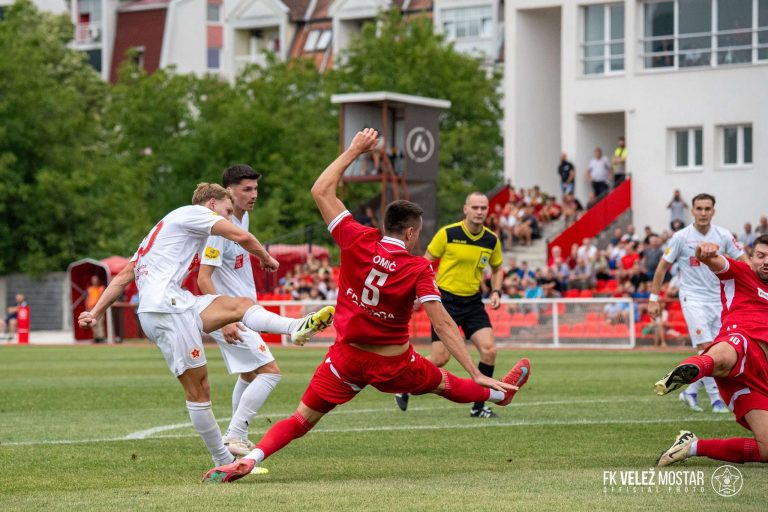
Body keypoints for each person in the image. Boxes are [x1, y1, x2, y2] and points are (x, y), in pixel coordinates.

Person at [202, 128, 530, 483]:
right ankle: (496, 394)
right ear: (410, 233)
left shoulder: (357, 238)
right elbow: (446, 325)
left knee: (300, 420)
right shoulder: (417, 267)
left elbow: (320, 189)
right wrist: (477, 371)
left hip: (345, 357)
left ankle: (249, 459)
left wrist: (354, 150)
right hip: (393, 364)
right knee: (444, 383)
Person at [78, 183, 335, 467]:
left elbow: (125, 275)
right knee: (199, 389)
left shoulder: (162, 229)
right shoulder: (195, 214)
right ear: (211, 204)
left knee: (239, 306)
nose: (227, 218)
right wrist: (265, 257)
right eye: (226, 211)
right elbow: (239, 235)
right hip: (166, 310)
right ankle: (221, 459)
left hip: (177, 302)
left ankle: (295, 327)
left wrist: (96, 311)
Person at [654, 236, 768, 466]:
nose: (766, 261)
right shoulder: (741, 272)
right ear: (751, 257)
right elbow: (714, 261)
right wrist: (702, 252)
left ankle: (691, 446)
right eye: (761, 255)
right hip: (741, 341)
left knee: (766, 450)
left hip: (757, 379)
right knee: (729, 353)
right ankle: (691, 370)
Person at [196, 165, 283, 457]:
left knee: (248, 375)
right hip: (232, 315)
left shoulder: (242, 220)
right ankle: (235, 434)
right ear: (228, 192)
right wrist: (224, 321)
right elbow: (203, 278)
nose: (253, 195)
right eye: (246, 189)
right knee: (270, 373)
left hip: (244, 312)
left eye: (256, 189)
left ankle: (237, 440)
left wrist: (262, 257)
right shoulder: (219, 227)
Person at [395, 191, 507, 418]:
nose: (479, 212)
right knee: (440, 358)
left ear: (487, 211)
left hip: (473, 302)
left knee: (489, 350)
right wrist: (419, 293)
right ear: (465, 209)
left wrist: (495, 290)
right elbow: (425, 262)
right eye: (475, 207)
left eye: (483, 208)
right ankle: (403, 383)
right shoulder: (448, 234)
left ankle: (478, 407)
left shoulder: (491, 240)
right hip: (446, 302)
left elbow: (497, 269)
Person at [648, 193, 747, 413]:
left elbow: (744, 261)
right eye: (699, 209)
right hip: (692, 297)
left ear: (713, 211)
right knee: (705, 347)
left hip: (720, 300)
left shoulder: (723, 235)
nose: (703, 213)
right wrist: (653, 299)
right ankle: (716, 400)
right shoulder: (681, 237)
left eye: (707, 209)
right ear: (692, 211)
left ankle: (690, 391)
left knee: (717, 350)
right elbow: (662, 267)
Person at [86, 275, 106, 343]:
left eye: (96, 280)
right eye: (93, 280)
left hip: (99, 308)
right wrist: (87, 308)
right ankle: (96, 337)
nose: (95, 282)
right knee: (93, 323)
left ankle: (101, 337)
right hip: (91, 308)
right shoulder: (90, 289)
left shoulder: (101, 288)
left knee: (100, 323)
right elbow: (87, 298)